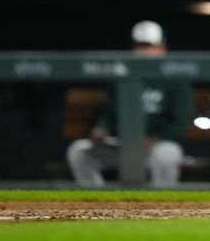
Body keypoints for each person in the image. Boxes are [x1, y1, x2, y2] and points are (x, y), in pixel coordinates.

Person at [66, 21, 192, 187]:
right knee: (79, 151)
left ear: (162, 48)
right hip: (121, 145)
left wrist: (154, 139)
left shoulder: (175, 79)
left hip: (155, 146)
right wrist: (101, 129)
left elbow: (180, 123)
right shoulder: (122, 76)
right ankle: (96, 205)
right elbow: (110, 114)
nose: (143, 51)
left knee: (167, 154)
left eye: (149, 46)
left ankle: (162, 208)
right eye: (139, 46)